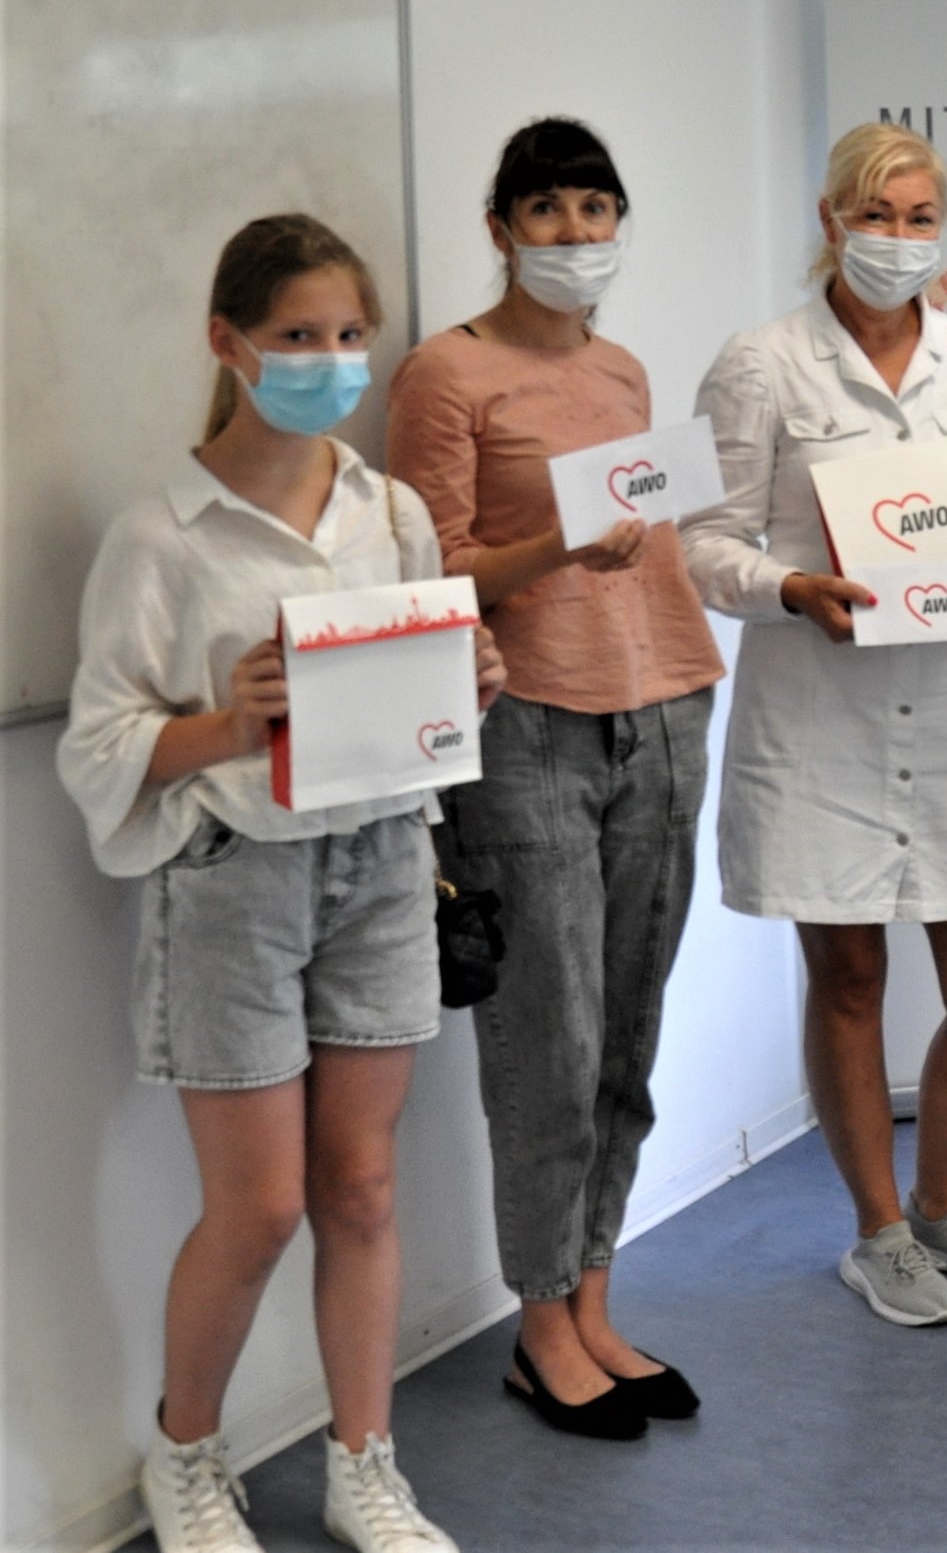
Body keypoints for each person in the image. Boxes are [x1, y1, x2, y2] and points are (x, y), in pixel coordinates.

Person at [57, 214, 501, 1552]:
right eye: (298, 335)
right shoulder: (162, 534)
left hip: (383, 863)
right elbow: (97, 746)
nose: (329, 360)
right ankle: (185, 1454)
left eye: (349, 334)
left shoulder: (392, 512)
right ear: (230, 343)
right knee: (256, 1207)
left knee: (361, 1188)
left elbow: (423, 703)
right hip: (234, 882)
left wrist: (468, 685)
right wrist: (227, 723)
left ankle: (367, 1463)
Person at [387, 119, 723, 1436]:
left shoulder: (623, 368)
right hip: (524, 725)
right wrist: (559, 545)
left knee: (629, 1025)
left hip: (664, 705)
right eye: (548, 209)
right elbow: (431, 569)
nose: (576, 233)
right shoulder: (446, 371)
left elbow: (647, 530)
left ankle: (593, 1297)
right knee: (550, 1035)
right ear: (501, 227)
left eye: (596, 208)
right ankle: (539, 1327)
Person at [679, 122, 947, 1328]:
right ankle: (878, 1230)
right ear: (832, 220)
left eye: (919, 215)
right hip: (819, 714)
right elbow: (703, 542)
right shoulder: (762, 363)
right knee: (849, 976)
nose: (898, 237)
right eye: (876, 214)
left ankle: (945, 1204)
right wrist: (791, 587)